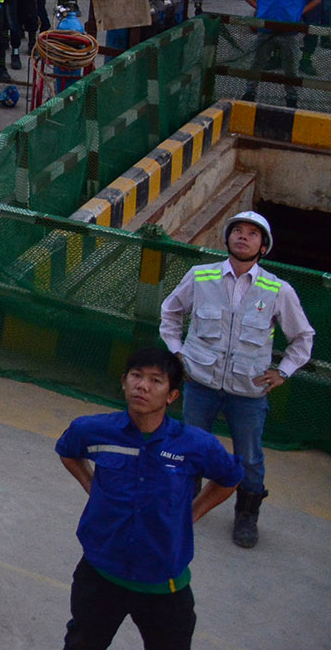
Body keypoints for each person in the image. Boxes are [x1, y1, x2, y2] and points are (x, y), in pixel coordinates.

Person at [54, 347, 242, 650]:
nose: (143, 386)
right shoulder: (94, 430)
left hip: (163, 583)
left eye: (156, 380)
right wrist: (91, 485)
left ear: (172, 396)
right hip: (100, 573)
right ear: (124, 382)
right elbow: (68, 451)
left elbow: (230, 478)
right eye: (136, 376)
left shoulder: (195, 445)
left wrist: (193, 513)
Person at [159, 210, 315, 550]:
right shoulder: (200, 277)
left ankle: (246, 515)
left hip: (249, 391)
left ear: (263, 246)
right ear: (227, 238)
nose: (243, 237)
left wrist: (284, 371)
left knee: (249, 457)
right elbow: (170, 312)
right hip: (200, 383)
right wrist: (178, 352)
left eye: (253, 234)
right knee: (192, 447)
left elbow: (303, 337)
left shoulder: (278, 289)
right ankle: (185, 503)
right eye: (238, 231)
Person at [238, 0, 323, 107]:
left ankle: (291, 97)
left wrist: (300, 12)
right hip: (265, 29)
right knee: (257, 63)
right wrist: (260, 8)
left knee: (291, 67)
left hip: (290, 32)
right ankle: (250, 92)